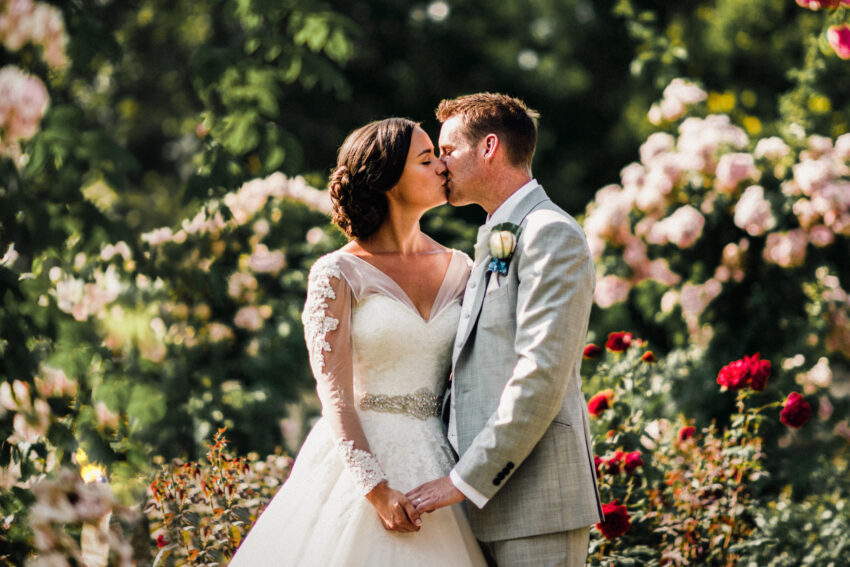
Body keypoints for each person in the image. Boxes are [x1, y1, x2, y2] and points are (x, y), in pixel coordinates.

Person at [229, 118, 487, 566]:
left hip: (441, 464)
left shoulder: (462, 267)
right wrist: (376, 490)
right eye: (427, 160)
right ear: (387, 180)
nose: (443, 167)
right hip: (362, 463)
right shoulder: (337, 273)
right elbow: (334, 396)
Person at [407, 93, 603, 567]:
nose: (440, 166)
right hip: (478, 510)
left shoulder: (549, 233)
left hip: (537, 505)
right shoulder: (498, 233)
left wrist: (461, 480)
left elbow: (541, 374)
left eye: (447, 151)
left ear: (489, 146)